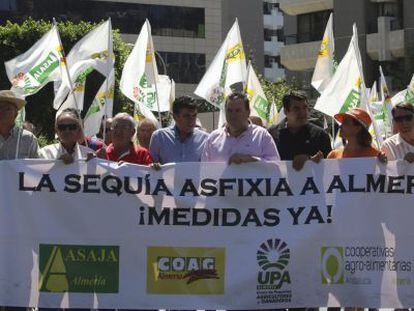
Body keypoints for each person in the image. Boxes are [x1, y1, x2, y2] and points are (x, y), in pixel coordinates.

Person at [202, 92, 280, 163]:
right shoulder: (213, 138)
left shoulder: (262, 136)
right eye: (229, 110)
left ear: (248, 112)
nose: (233, 115)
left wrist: (252, 160)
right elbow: (204, 171)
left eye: (237, 110)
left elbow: (276, 166)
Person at [268, 91, 331, 170]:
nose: (302, 112)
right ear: (286, 111)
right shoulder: (271, 134)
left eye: (305, 107)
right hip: (280, 182)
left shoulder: (320, 135)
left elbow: (330, 167)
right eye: (296, 109)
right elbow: (265, 162)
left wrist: (311, 160)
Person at [150, 96, 208, 164]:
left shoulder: (205, 139)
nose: (191, 120)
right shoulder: (159, 137)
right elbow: (152, 167)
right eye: (187, 116)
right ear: (175, 117)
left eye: (194, 115)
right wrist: (154, 166)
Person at [0, 90, 39, 160]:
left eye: (7, 108)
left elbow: (37, 166)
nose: (1, 111)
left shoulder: (28, 138)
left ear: (16, 114)